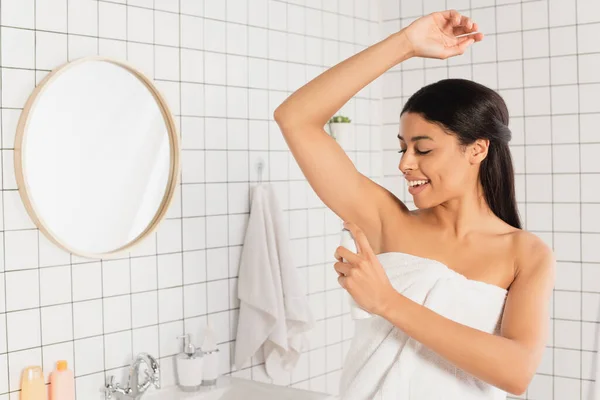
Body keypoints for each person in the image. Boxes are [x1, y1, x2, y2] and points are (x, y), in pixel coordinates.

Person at [274, 9, 555, 400]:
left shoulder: (524, 253)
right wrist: (405, 43)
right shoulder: (386, 220)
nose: (405, 163)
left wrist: (387, 302)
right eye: (403, 147)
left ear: (476, 150)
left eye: (423, 149)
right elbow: (295, 118)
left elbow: (516, 371)